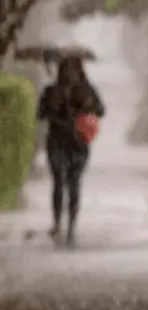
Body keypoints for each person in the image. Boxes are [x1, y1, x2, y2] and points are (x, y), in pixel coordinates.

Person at [37, 55, 105, 246]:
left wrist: (85, 106)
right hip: (58, 141)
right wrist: (54, 105)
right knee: (60, 182)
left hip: (77, 143)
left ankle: (70, 226)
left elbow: (100, 110)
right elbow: (41, 113)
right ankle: (59, 224)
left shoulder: (86, 91)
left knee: (72, 184)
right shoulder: (52, 91)